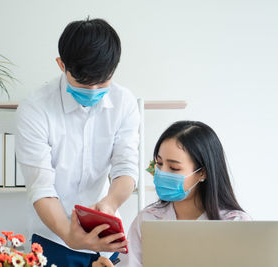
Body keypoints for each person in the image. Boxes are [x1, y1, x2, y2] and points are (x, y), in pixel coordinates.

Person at [15, 17, 139, 267]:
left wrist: (109, 203)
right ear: (62, 65)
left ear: (114, 69)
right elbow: (41, 187)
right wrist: (69, 235)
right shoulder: (35, 108)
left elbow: (126, 169)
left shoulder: (124, 102)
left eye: (102, 82)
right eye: (83, 82)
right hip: (53, 239)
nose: (93, 89)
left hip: (105, 237)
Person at [92, 120, 251, 267]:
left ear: (202, 172)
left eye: (174, 168)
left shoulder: (236, 223)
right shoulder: (147, 220)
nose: (161, 173)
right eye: (159, 164)